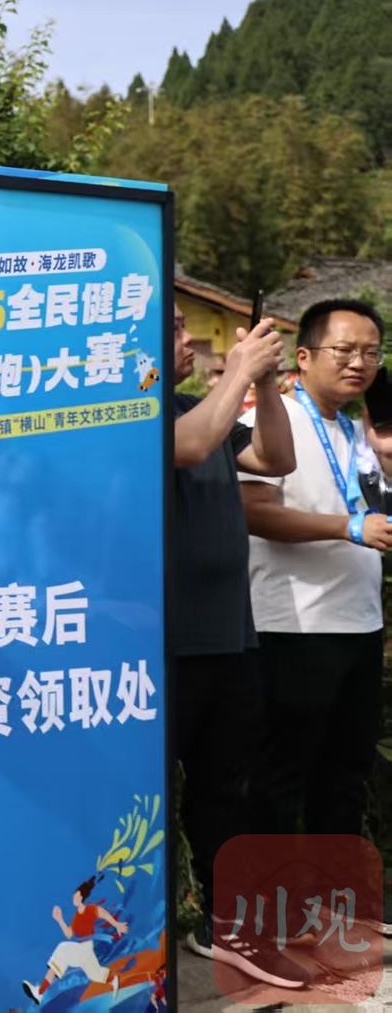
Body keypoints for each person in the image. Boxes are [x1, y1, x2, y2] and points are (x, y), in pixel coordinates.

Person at [168, 308, 303, 987]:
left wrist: (267, 383)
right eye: (172, 327)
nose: (189, 339)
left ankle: (226, 925)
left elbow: (277, 460)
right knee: (150, 793)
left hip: (229, 634)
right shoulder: (124, 413)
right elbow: (191, 446)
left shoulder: (201, 406)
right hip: (162, 645)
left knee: (227, 790)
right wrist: (243, 372)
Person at [240, 300, 391, 854]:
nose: (360, 363)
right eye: (345, 350)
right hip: (293, 626)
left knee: (346, 777)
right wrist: (346, 528)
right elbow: (252, 511)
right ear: (303, 356)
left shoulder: (359, 432)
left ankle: (337, 894)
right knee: (280, 779)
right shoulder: (268, 418)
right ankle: (268, 896)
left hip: (360, 624)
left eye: (372, 353)